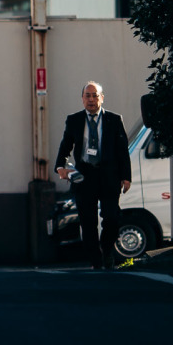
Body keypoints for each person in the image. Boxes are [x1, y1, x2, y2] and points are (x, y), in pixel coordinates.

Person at [55, 80, 132, 269]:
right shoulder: (74, 120)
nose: (91, 99)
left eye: (95, 95)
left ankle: (107, 250)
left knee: (112, 218)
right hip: (84, 177)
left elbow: (122, 150)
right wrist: (60, 167)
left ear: (102, 98)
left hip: (108, 176)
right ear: (82, 99)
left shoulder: (114, 120)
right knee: (88, 222)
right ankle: (96, 260)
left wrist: (126, 176)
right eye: (87, 96)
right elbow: (65, 147)